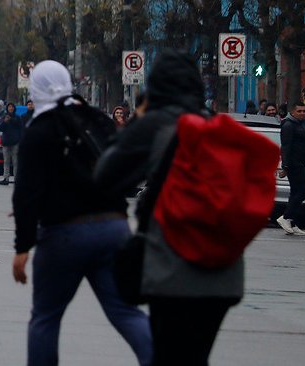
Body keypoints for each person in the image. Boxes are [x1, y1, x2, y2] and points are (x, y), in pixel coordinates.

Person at [95, 51, 242, 366]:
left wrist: (140, 119)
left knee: (169, 358)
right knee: (195, 358)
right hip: (224, 271)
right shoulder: (217, 126)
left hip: (172, 268)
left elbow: (106, 176)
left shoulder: (156, 124)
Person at [12, 60, 152, 366]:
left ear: (35, 90)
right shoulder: (97, 118)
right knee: (125, 311)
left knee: (46, 318)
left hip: (63, 235)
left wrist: (22, 247)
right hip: (113, 228)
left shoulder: (38, 130)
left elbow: (26, 194)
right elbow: (124, 165)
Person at [276, 102, 305, 236]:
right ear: (293, 112)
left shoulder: (300, 125)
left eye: (304, 111)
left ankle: (292, 222)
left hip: (301, 163)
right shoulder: (288, 125)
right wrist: (285, 166)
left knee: (295, 193)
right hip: (294, 165)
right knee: (304, 191)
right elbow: (286, 147)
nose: (302, 113)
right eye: (299, 111)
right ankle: (286, 217)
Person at [0, 102, 22, 185]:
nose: (10, 108)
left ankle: (16, 178)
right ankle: (6, 178)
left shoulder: (17, 117)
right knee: (6, 161)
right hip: (6, 142)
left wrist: (10, 120)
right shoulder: (3, 117)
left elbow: (19, 126)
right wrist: (5, 121)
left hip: (15, 142)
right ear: (7, 108)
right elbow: (0, 128)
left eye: (12, 107)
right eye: (9, 107)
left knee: (15, 161)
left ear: (14, 108)